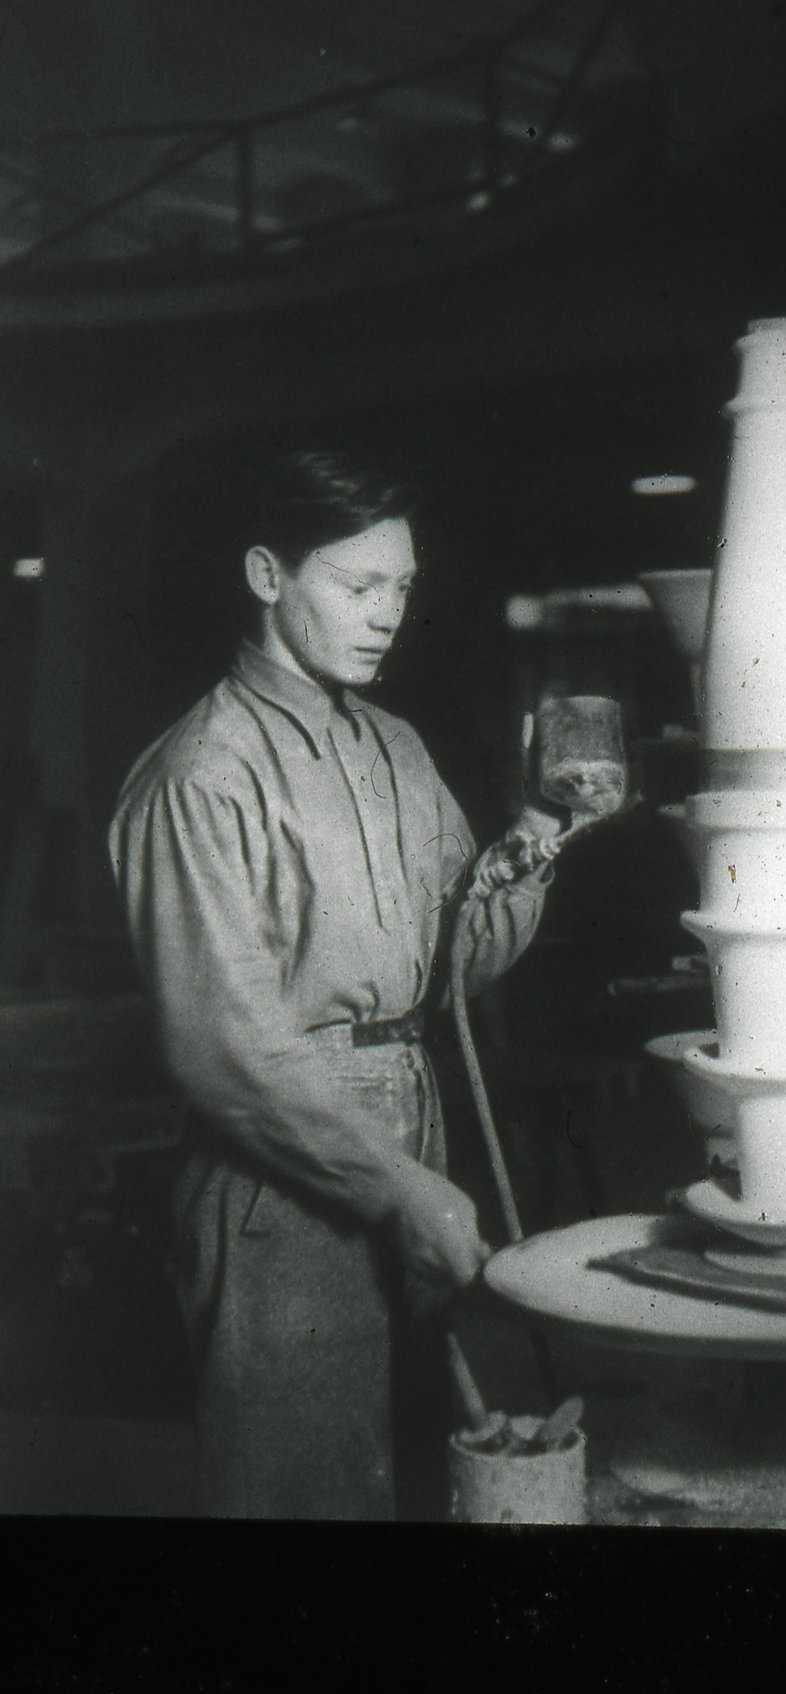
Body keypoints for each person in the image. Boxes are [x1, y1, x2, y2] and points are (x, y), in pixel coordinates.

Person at [109, 449, 552, 1521]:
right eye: (358, 585)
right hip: (279, 1180)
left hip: (411, 1128)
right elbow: (226, 1049)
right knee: (301, 1493)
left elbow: (452, 971)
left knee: (411, 1474)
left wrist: (542, 839)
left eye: (401, 586)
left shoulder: (395, 747)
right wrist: (400, 1189)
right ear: (268, 576)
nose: (389, 613)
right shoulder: (205, 773)